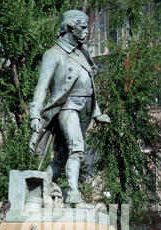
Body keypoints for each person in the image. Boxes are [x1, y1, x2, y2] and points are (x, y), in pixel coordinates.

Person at [29, 9, 110, 206]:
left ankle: (40, 187)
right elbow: (42, 86)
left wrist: (97, 112)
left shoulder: (81, 54)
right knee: (77, 148)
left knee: (63, 156)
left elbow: (87, 84)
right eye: (83, 27)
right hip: (67, 108)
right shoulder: (53, 54)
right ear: (70, 27)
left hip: (85, 110)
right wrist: (34, 114)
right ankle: (74, 194)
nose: (87, 31)